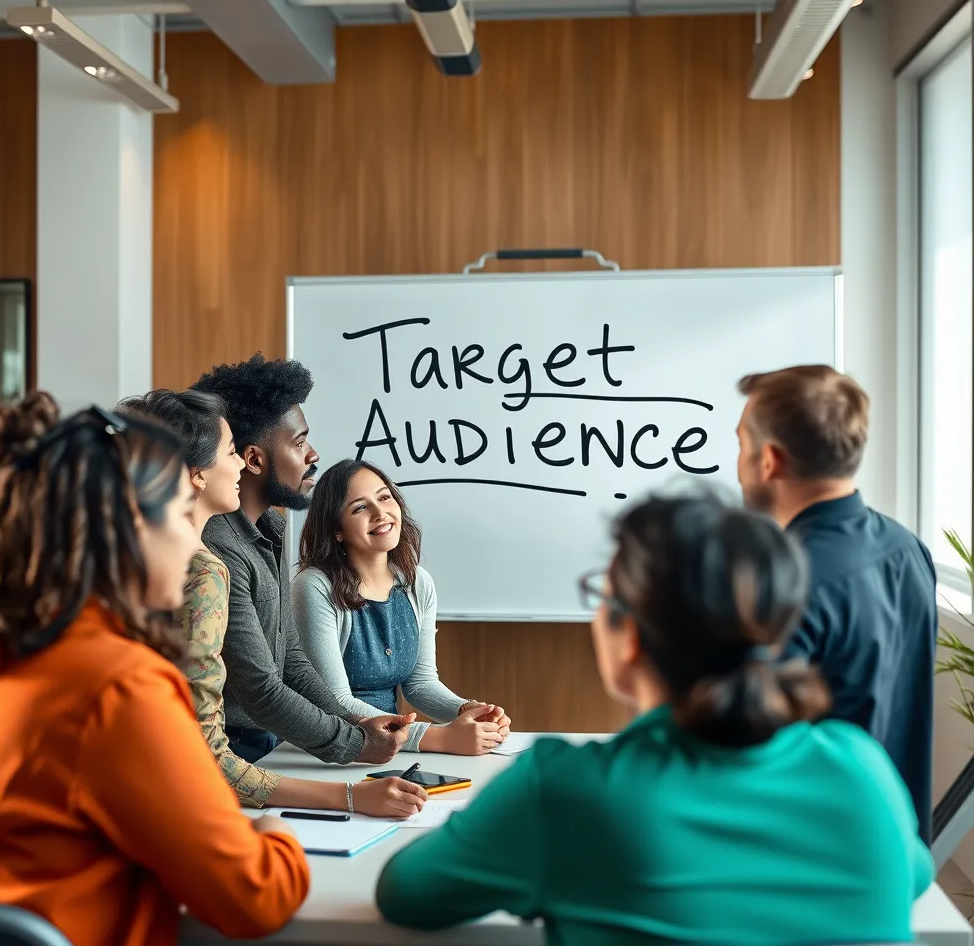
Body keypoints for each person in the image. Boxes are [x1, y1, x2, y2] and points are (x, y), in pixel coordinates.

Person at [376, 494, 933, 944]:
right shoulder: (861, 767)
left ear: (631, 637)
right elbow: (914, 875)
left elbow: (406, 892)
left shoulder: (567, 791)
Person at [0, 392, 310, 946]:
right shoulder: (121, 683)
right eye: (176, 518)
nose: (190, 541)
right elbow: (254, 896)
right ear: (130, 529)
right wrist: (277, 835)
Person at [118, 390, 427, 818]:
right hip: (163, 794)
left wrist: (353, 727)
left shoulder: (129, 554)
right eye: (230, 452)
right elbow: (207, 752)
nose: (240, 465)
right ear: (197, 476)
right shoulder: (203, 570)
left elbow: (289, 658)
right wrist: (352, 792)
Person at [736, 365, 938, 842]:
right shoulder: (908, 549)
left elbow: (746, 749)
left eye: (740, 443)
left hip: (814, 863)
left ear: (769, 460)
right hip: (891, 852)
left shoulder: (787, 580)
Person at [191, 353, 408, 766]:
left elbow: (290, 657)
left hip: (270, 742)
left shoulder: (269, 531)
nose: (313, 454)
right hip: (234, 753)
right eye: (299, 441)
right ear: (254, 459)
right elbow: (260, 688)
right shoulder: (219, 546)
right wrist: (354, 743)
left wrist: (350, 721)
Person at [292, 460, 511, 754]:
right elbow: (335, 701)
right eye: (360, 508)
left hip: (391, 748)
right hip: (329, 748)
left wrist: (468, 711)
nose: (380, 513)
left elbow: (420, 684)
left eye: (384, 497)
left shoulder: (417, 582)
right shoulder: (314, 586)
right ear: (337, 530)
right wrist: (441, 739)